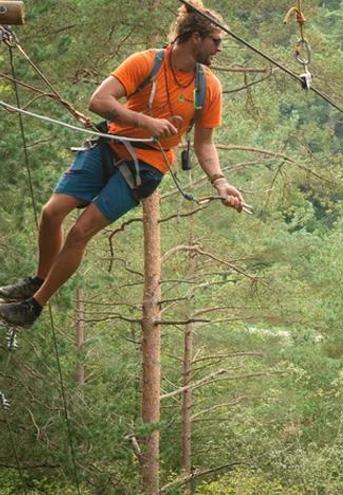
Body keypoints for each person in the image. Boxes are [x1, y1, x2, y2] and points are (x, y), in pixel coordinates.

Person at [0, 1, 244, 328]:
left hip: (146, 167)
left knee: (80, 231)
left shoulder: (208, 87)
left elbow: (204, 143)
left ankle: (34, 306)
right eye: (216, 41)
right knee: (52, 212)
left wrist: (220, 181)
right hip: (110, 146)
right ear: (195, 37)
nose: (219, 49)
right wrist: (145, 122)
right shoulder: (146, 62)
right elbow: (99, 101)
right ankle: (38, 279)